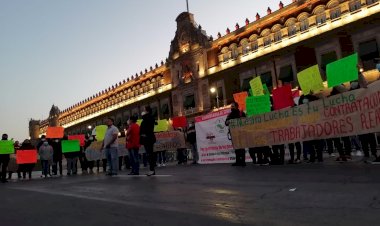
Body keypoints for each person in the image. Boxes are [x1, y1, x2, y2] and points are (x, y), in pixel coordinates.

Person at [225, 101, 247, 167]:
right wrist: (228, 122)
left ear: (236, 107)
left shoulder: (241, 113)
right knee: (236, 148)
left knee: (242, 148)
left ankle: (243, 161)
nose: (231, 108)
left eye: (233, 106)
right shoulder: (229, 115)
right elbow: (226, 123)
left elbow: (246, 121)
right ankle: (238, 161)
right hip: (233, 134)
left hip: (241, 133)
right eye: (231, 106)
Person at [140, 106, 157, 176]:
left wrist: (145, 134)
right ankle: (151, 169)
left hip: (148, 138)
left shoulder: (148, 118)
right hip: (147, 138)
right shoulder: (146, 118)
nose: (142, 111)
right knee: (149, 154)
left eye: (144, 110)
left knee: (150, 154)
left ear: (147, 111)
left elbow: (148, 128)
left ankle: (152, 169)